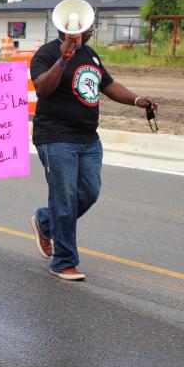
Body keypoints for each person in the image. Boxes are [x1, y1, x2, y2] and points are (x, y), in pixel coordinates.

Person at [28, 22, 157, 281]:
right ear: (67, 31)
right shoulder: (46, 53)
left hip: (88, 138)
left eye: (90, 29)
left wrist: (136, 100)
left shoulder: (90, 54)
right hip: (56, 137)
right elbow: (42, 88)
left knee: (88, 192)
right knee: (64, 199)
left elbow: (108, 85)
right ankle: (64, 261)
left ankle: (45, 221)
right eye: (85, 30)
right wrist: (63, 61)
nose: (90, 33)